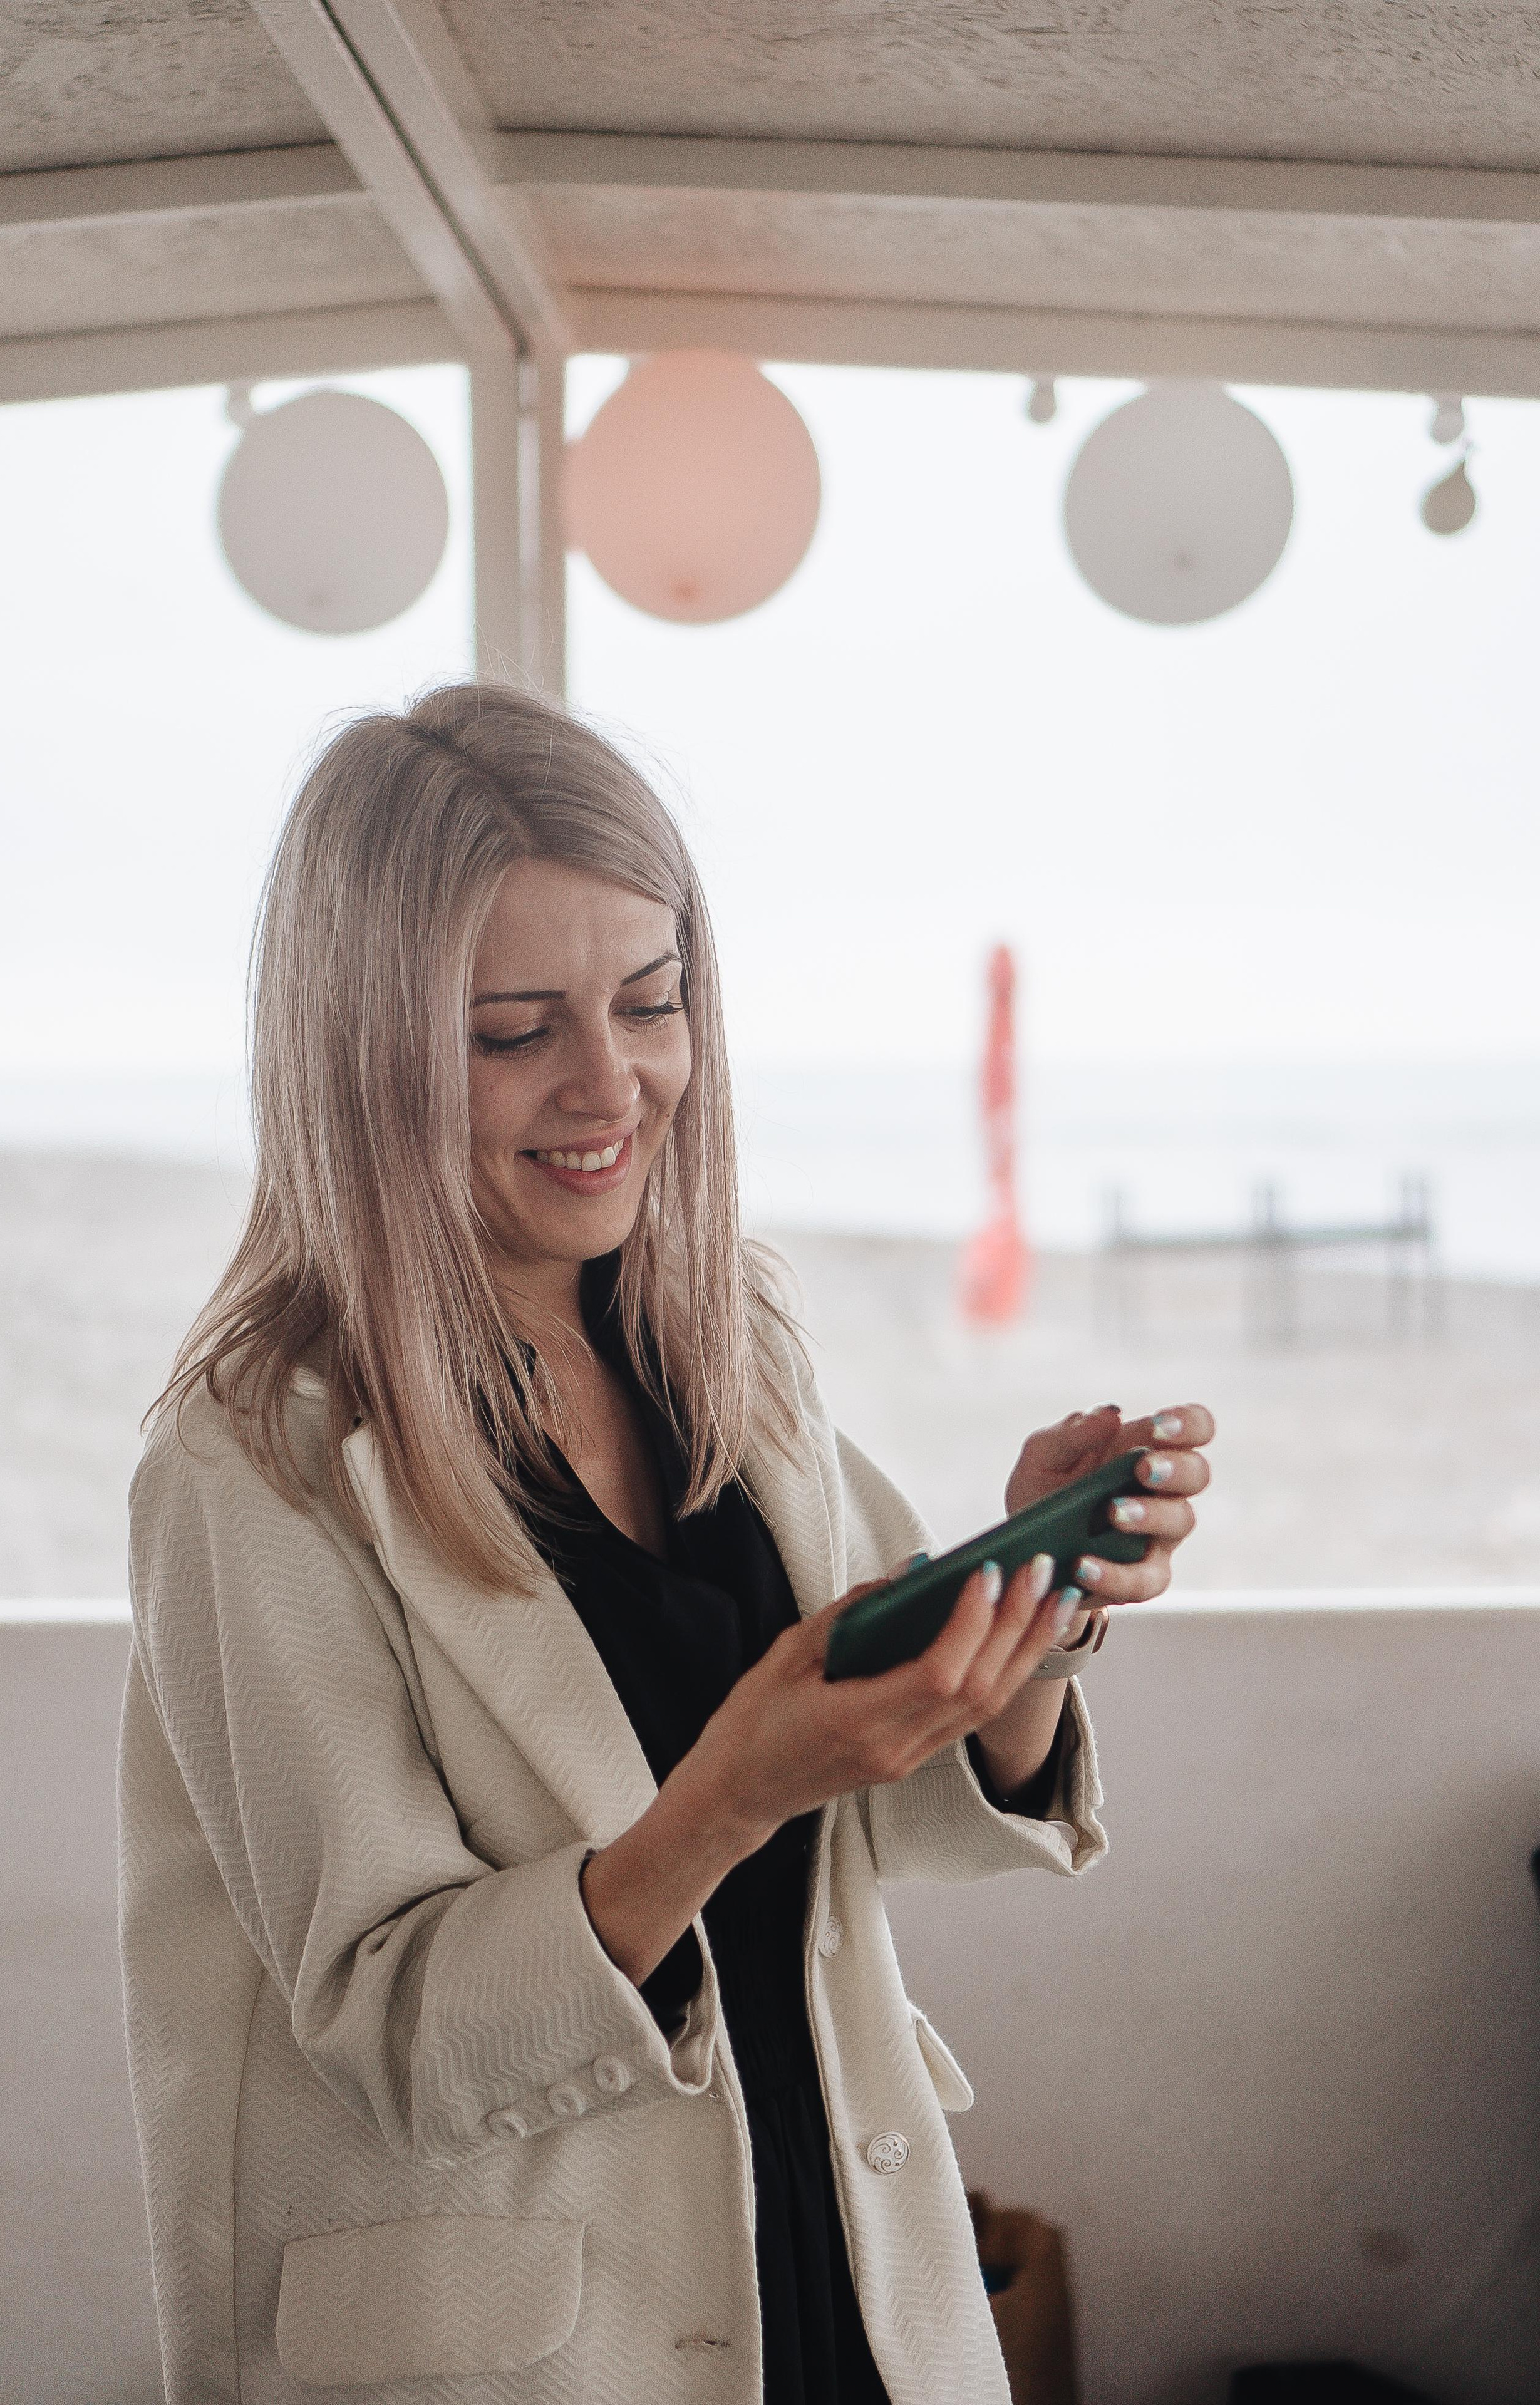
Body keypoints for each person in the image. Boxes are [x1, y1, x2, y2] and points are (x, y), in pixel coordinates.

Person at [116, 681, 1212, 2405]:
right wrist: (729, 1793)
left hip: (839, 2269)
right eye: (511, 1030)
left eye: (651, 1001)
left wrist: (1021, 1619)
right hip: (536, 2346)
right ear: (361, 1048)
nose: (611, 1083)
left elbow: (886, 1811)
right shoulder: (252, 1467)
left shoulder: (727, 1343)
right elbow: (400, 2036)